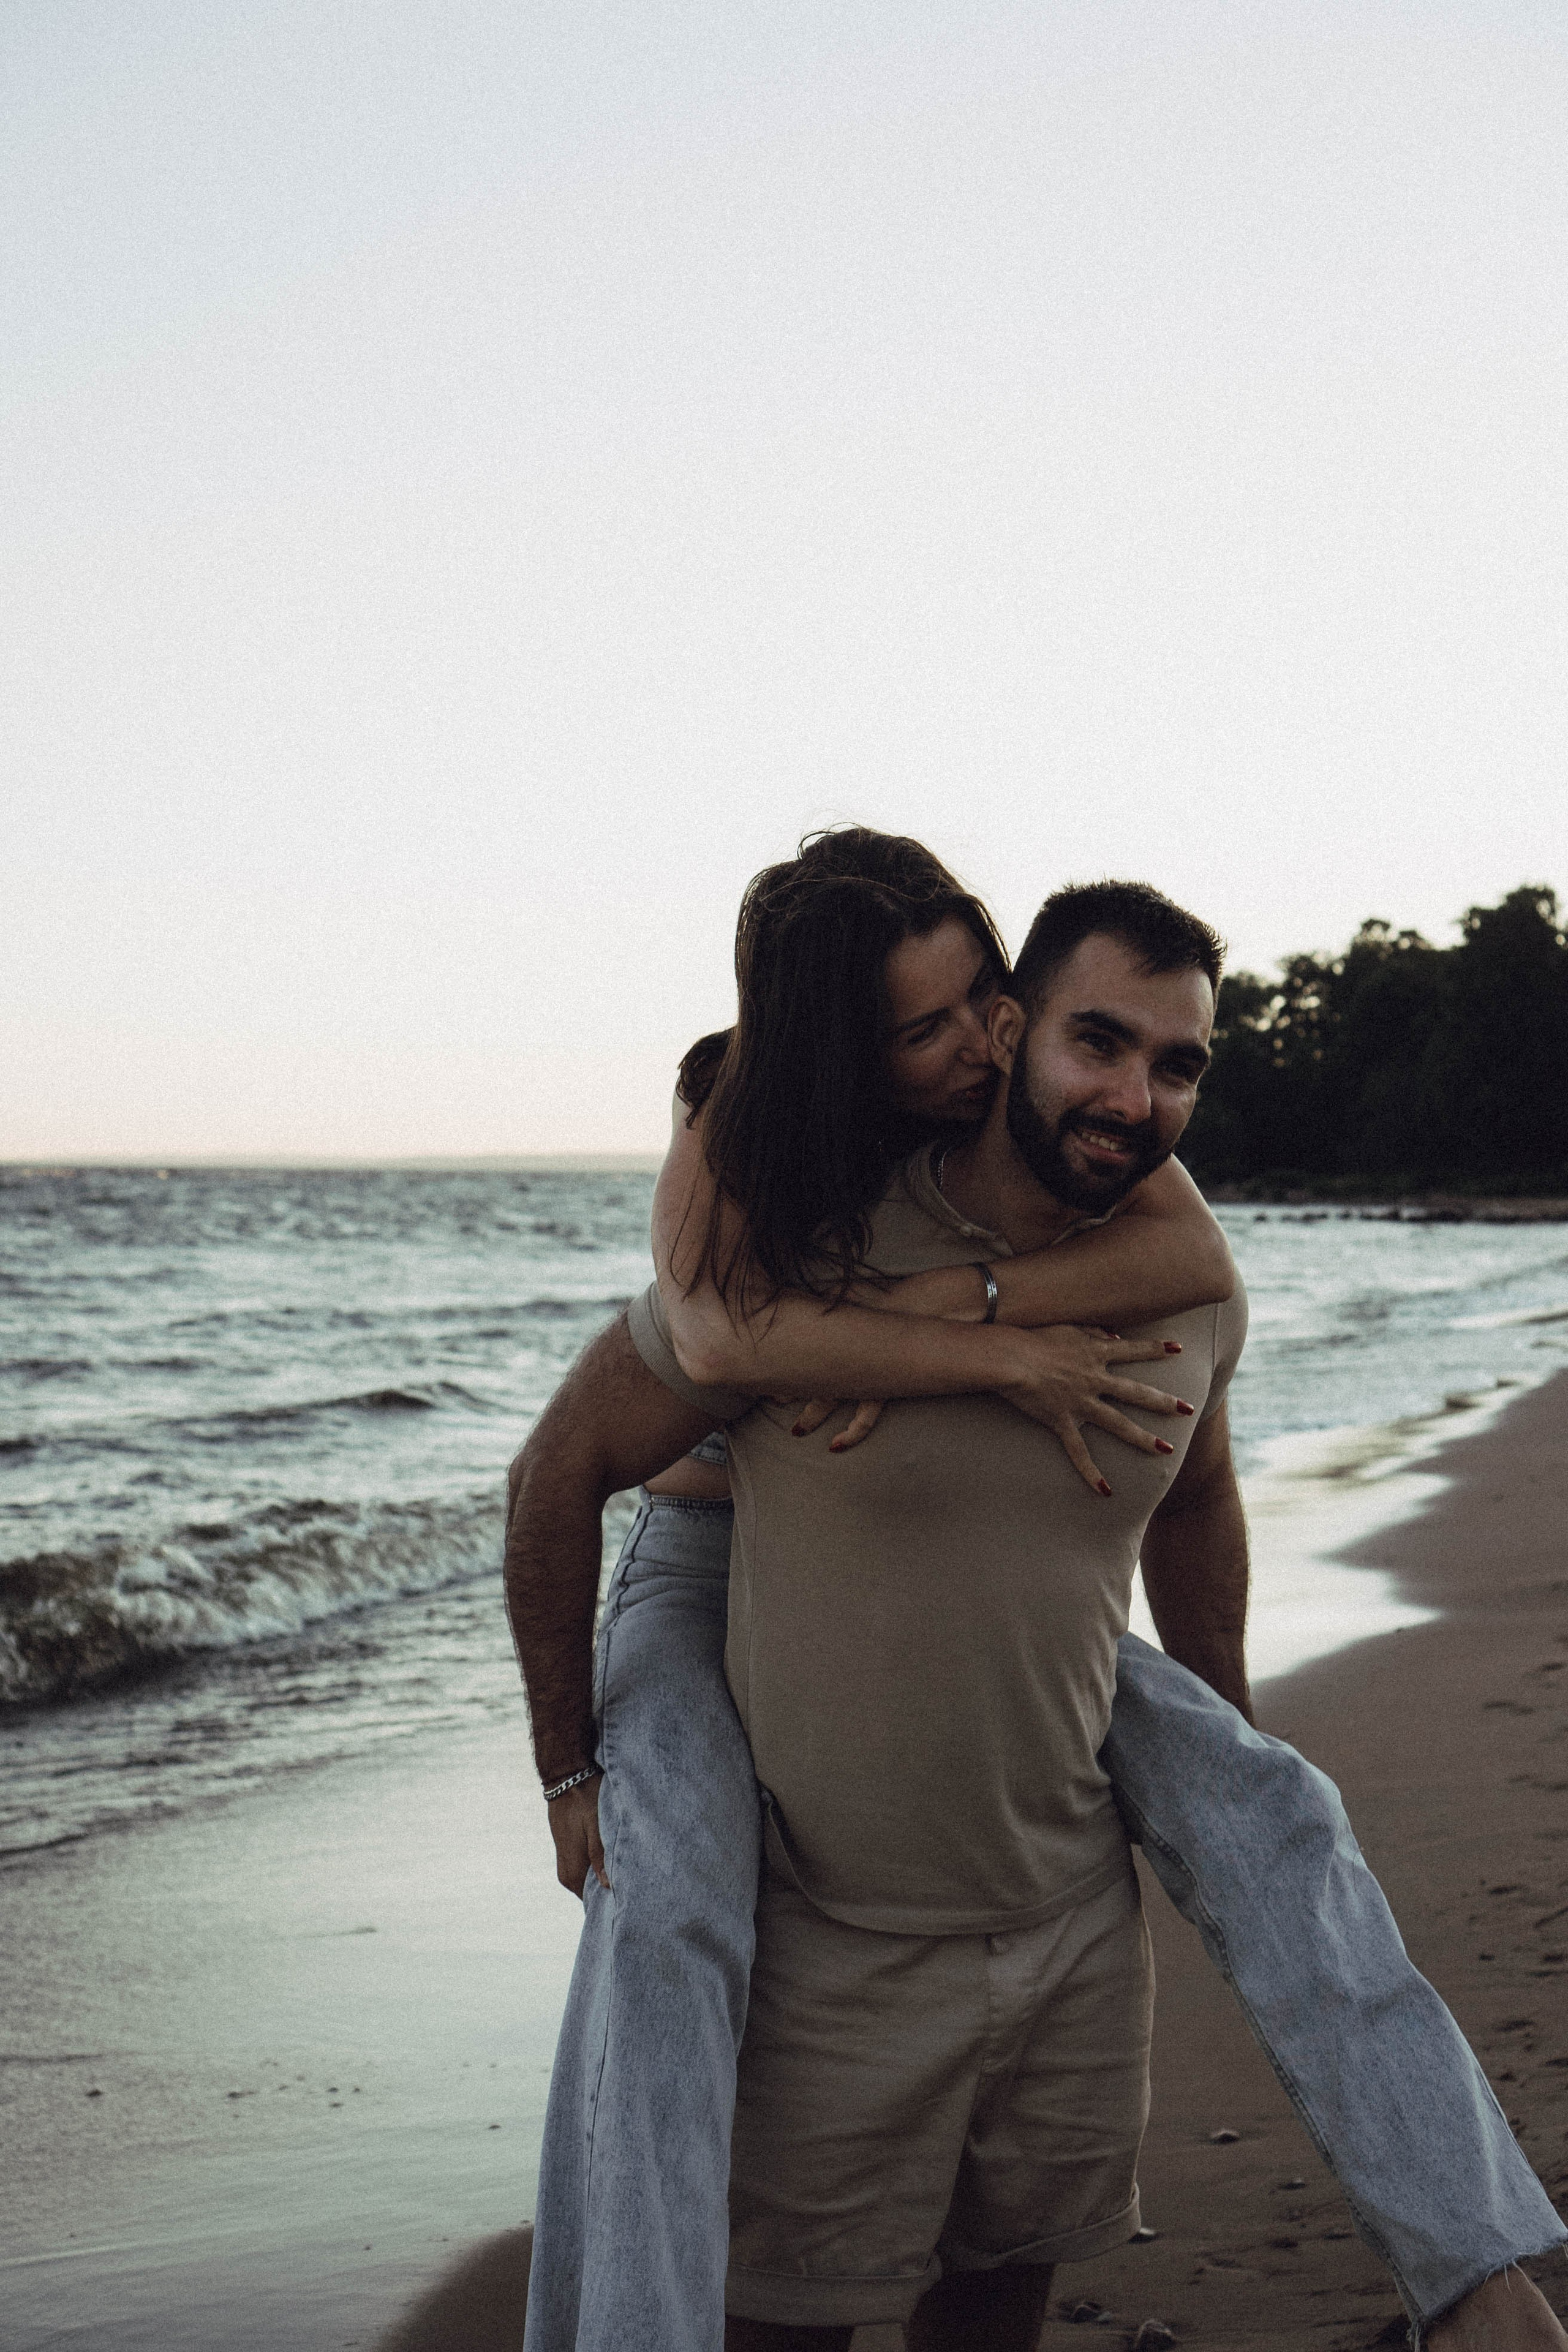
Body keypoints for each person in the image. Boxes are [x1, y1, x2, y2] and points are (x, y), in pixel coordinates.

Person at [508, 834, 1566, 2351]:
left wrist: (1223, 1724)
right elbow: (620, 1420)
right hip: (770, 1751)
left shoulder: (1170, 1262)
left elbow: (1193, 1492)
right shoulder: (793, 1215)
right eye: (1092, 1040)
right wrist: (565, 1763)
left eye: (1175, 1064)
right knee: (662, 1907)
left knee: (1276, 1813)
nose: (1127, 1094)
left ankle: (1478, 2289)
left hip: (1060, 1923)